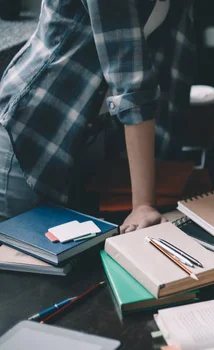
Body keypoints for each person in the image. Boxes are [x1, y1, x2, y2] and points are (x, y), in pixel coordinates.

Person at [0, 0, 196, 233]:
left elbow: (170, 58)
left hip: (86, 135)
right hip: (32, 137)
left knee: (73, 261)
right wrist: (143, 204)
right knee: (23, 263)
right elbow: (132, 84)